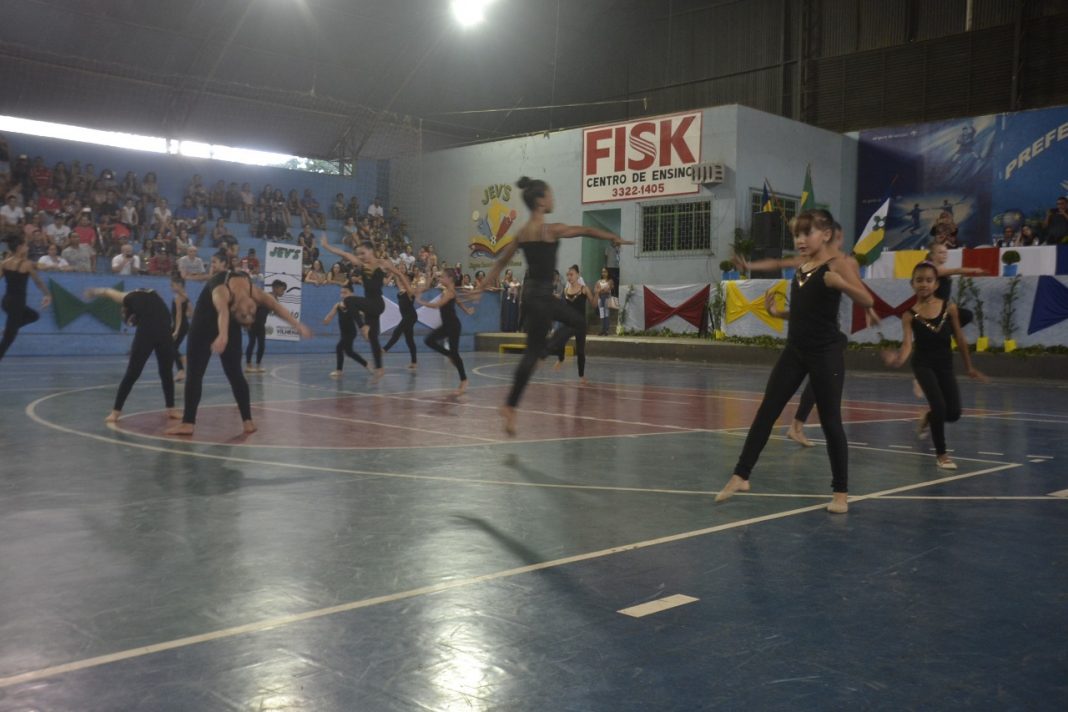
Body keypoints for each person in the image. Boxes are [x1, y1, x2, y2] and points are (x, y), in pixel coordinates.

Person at [716, 209, 874, 514]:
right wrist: (778, 312)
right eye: (796, 235)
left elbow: (867, 300)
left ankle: (840, 492)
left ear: (825, 234)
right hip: (795, 351)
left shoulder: (836, 264)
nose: (800, 240)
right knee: (767, 411)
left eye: (806, 233)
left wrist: (839, 283)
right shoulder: (802, 265)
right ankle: (741, 475)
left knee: (830, 421)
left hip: (825, 352)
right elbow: (801, 305)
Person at [481, 177, 632, 435]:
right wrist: (612, 237)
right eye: (549, 195)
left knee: (536, 350)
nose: (553, 199)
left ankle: (510, 405)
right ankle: (543, 354)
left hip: (530, 296)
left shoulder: (522, 233)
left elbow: (500, 262)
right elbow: (586, 230)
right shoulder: (550, 230)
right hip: (542, 295)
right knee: (574, 324)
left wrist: (482, 286)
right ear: (540, 201)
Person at [740, 222, 879, 448]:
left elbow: (860, 292)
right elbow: (780, 264)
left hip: (832, 333)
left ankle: (797, 425)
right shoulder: (809, 264)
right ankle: (796, 425)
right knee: (811, 383)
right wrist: (750, 265)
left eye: (838, 238)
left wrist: (869, 310)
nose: (835, 242)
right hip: (819, 337)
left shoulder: (844, 263)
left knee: (821, 381)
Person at [164, 252, 311, 436]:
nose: (249, 311)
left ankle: (247, 421)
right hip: (202, 325)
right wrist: (222, 335)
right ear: (234, 308)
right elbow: (223, 311)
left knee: (235, 373)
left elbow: (275, 306)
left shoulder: (252, 294)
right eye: (248, 314)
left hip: (226, 326)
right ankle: (188, 423)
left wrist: (297, 325)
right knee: (195, 373)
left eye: (250, 314)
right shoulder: (222, 291)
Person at [882, 262, 988, 469]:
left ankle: (928, 417)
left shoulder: (949, 308)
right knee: (939, 406)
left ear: (936, 284)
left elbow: (960, 339)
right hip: (923, 364)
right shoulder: (909, 315)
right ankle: (942, 455)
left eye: (929, 280)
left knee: (953, 413)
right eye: (919, 280)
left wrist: (969, 367)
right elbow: (907, 346)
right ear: (912, 284)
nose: (924, 284)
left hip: (945, 365)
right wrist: (897, 359)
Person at [320, 235, 411, 381]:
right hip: (369, 305)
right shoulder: (361, 265)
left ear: (371, 251)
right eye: (359, 254)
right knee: (373, 338)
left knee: (349, 300)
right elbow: (344, 253)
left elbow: (399, 274)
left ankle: (362, 327)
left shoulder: (382, 263)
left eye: (363, 253)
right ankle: (379, 368)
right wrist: (326, 246)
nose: (360, 257)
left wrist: (410, 290)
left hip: (377, 303)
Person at [85, 287, 178, 423]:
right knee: (163, 373)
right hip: (162, 332)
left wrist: (94, 292)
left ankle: (116, 412)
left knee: (135, 373)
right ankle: (170, 409)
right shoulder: (154, 295)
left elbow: (108, 292)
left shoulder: (129, 296)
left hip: (154, 333)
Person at [416, 269, 475, 396]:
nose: (440, 279)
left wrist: (421, 302)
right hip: (446, 326)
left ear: (450, 279)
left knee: (455, 353)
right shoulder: (448, 291)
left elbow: (438, 305)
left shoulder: (450, 292)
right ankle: (448, 354)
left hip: (453, 326)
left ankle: (464, 380)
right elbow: (458, 301)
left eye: (442, 277)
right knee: (429, 340)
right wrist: (466, 310)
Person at [0, 235, 52, 361]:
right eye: (25, 245)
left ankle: (9, 329)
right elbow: (38, 282)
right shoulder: (27, 264)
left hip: (6, 301)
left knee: (33, 315)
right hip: (17, 303)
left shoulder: (4, 263)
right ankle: (9, 330)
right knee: (8, 339)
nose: (27, 247)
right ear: (19, 248)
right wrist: (48, 294)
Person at [554, 265, 595, 384]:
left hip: (580, 324)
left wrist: (597, 293)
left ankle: (581, 375)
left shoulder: (584, 289)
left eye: (571, 274)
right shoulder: (566, 290)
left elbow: (594, 304)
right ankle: (561, 358)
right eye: (568, 275)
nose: (569, 277)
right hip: (568, 322)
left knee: (580, 351)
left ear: (578, 275)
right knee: (559, 339)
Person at [323, 284, 370, 377]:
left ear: (352, 294)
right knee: (349, 352)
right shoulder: (338, 305)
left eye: (345, 293)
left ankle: (339, 370)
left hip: (351, 333)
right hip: (343, 333)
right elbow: (330, 315)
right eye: (341, 293)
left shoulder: (354, 306)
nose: (342, 295)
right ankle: (366, 364)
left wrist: (366, 327)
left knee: (339, 347)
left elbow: (363, 315)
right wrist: (327, 320)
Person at [245, 280, 286, 374]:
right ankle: (248, 365)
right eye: (282, 290)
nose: (283, 292)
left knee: (261, 345)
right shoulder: (266, 296)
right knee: (252, 343)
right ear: (275, 288)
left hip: (261, 324)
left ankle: (258, 365)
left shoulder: (275, 299)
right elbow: (252, 305)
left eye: (284, 290)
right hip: (253, 322)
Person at [383, 270, 419, 370]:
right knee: (409, 340)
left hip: (411, 316)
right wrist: (393, 271)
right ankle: (414, 363)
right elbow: (397, 279)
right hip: (406, 317)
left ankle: (384, 349)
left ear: (409, 281)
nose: (403, 279)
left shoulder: (410, 291)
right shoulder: (402, 289)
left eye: (406, 278)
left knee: (397, 331)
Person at [171, 275, 191, 382]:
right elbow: (191, 313)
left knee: (171, 347)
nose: (171, 287)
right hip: (184, 325)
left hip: (179, 326)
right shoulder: (186, 297)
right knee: (172, 347)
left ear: (179, 285)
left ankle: (181, 369)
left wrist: (176, 330)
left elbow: (178, 315)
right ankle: (181, 369)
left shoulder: (178, 298)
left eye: (173, 285)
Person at [595, 267, 614, 335]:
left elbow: (607, 289)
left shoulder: (610, 281)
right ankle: (602, 330)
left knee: (606, 314)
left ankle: (606, 330)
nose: (603, 273)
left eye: (605, 272)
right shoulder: (599, 281)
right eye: (602, 272)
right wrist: (601, 290)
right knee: (602, 314)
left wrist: (600, 289)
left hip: (606, 298)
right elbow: (595, 290)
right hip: (600, 299)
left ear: (608, 273)